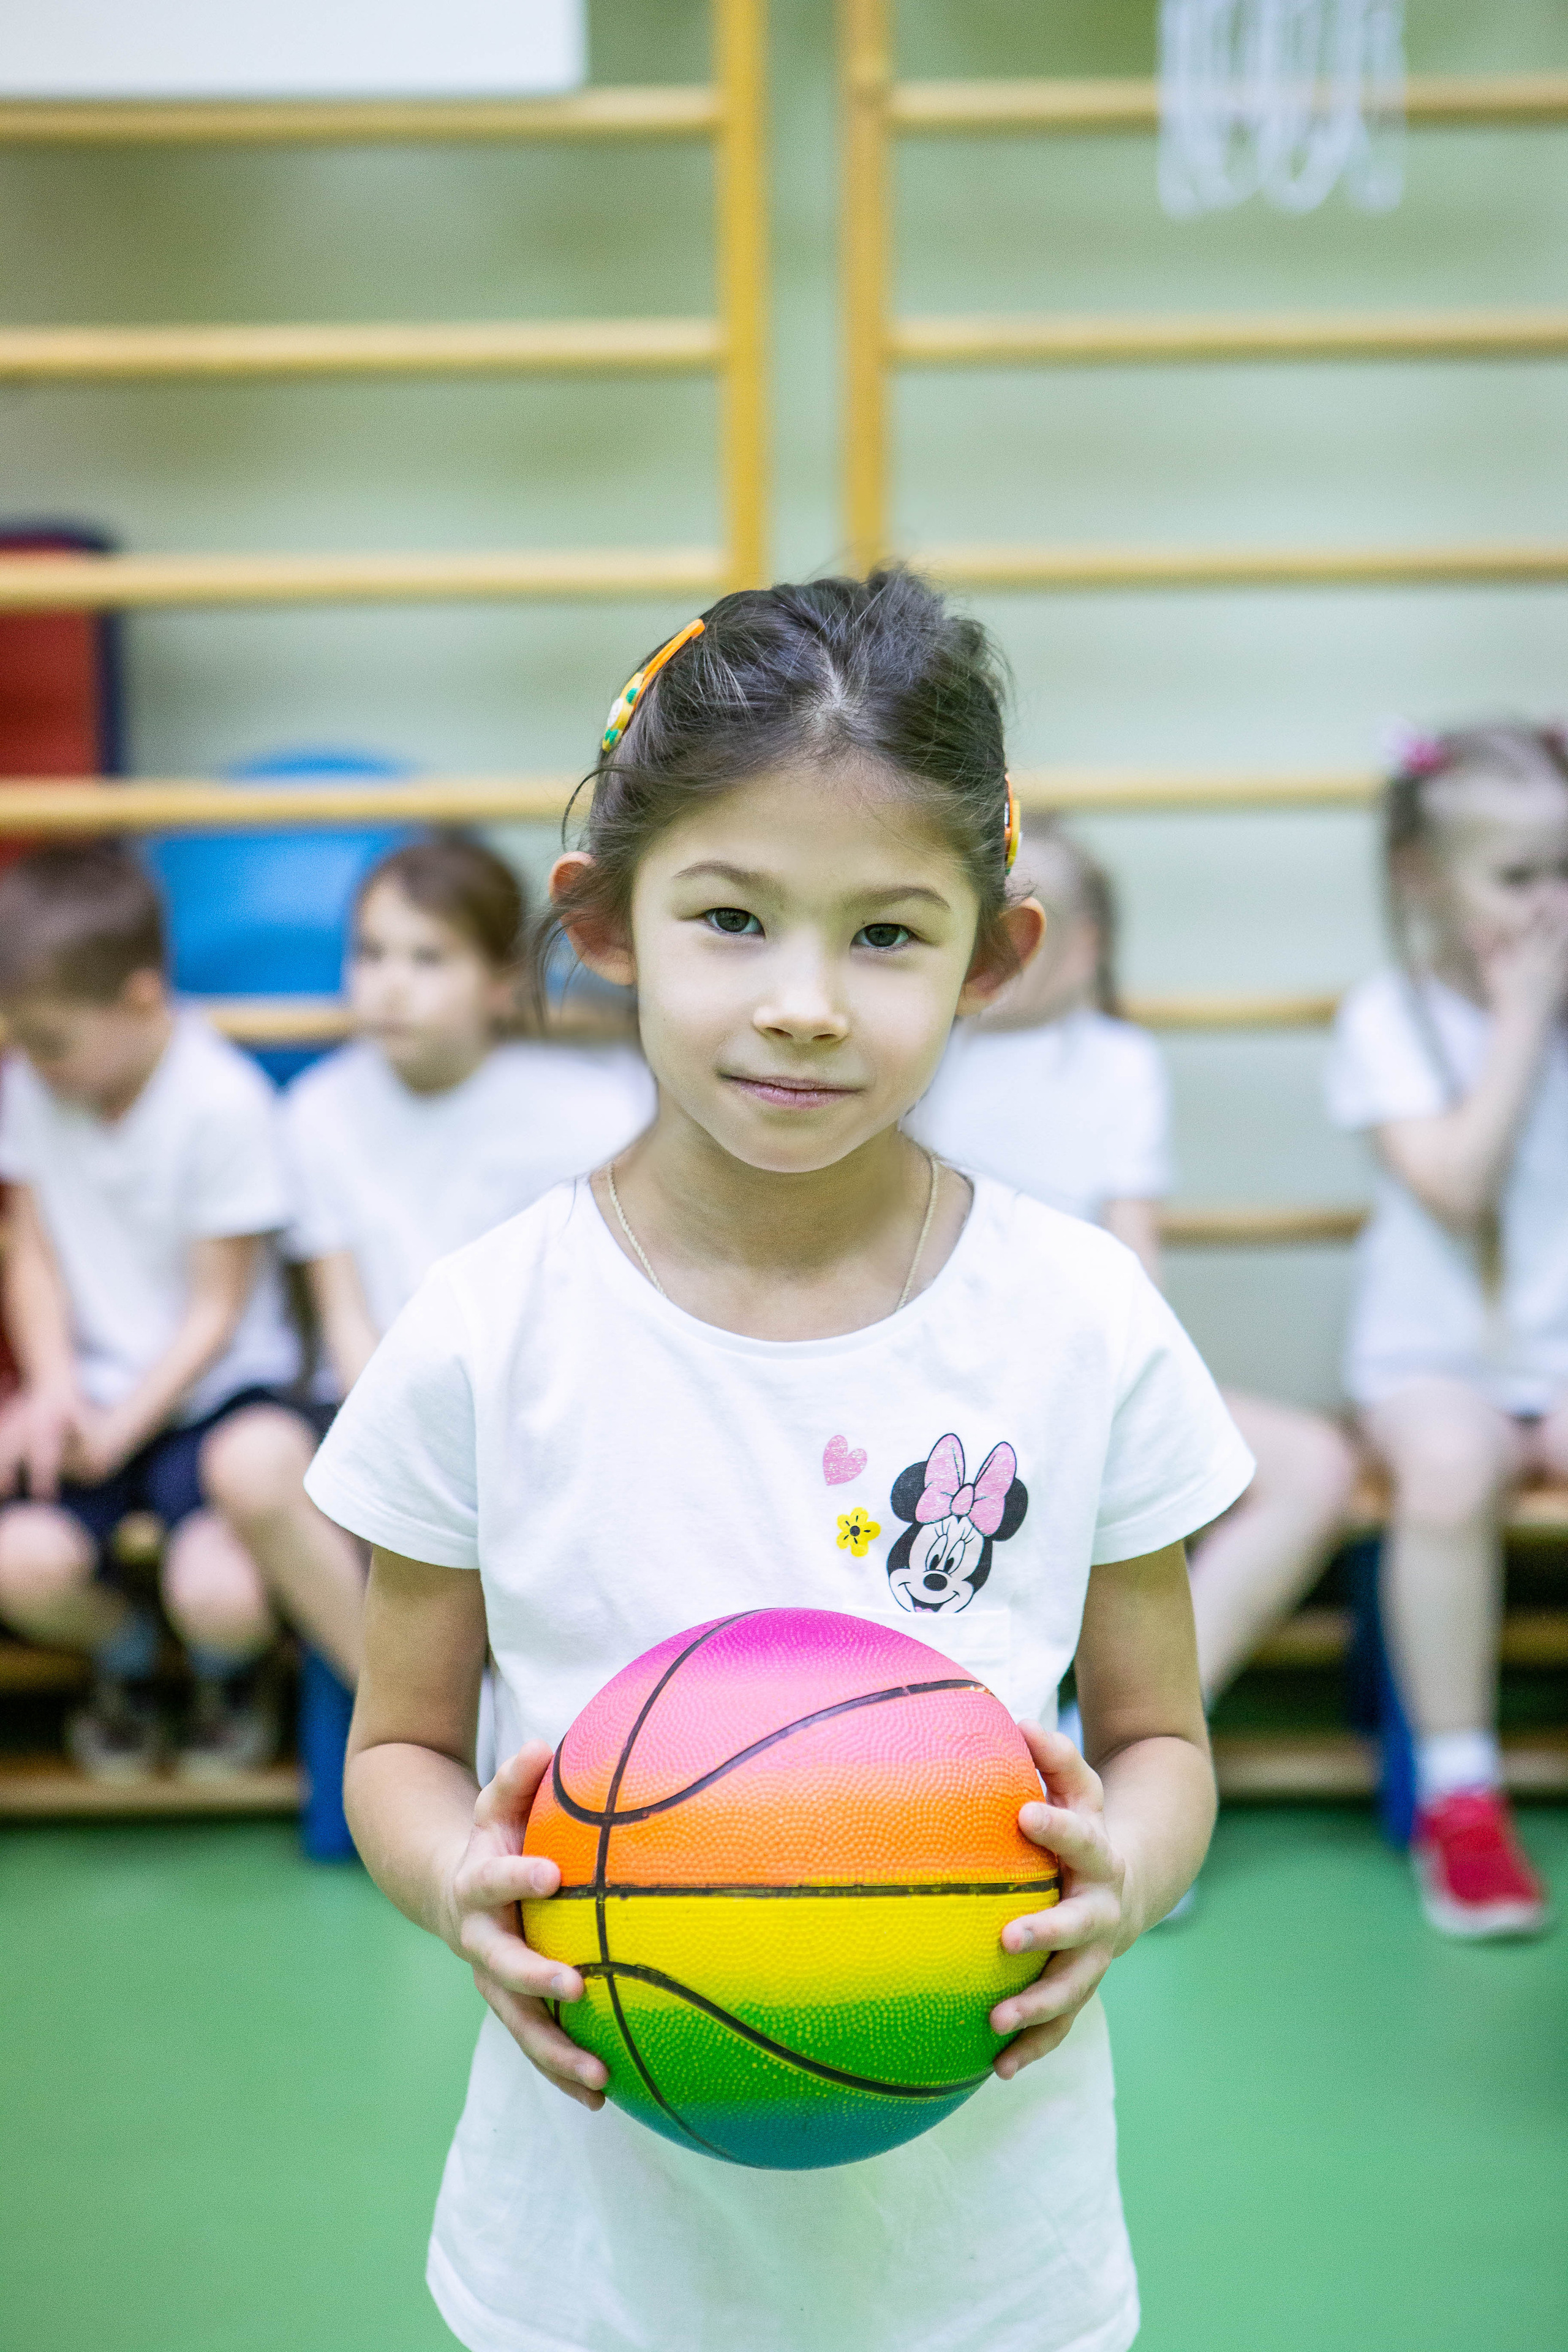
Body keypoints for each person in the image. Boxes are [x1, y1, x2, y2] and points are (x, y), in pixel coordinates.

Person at [304, 572, 1254, 2352]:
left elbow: (1159, 1735)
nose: (805, 1001)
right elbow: (406, 1746)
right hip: (589, 2239)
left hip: (984, 2249)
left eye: (886, 934)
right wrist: (456, 1884)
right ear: (600, 922)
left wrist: (1125, 1868)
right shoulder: (486, 1326)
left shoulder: (1079, 1318)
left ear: (996, 954)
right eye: (731, 917)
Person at [908, 820, 1357, 1725]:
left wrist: (1109, 1385)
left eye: (1023, 928)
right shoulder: (915, 1054)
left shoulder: (1116, 1064)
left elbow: (1132, 1255)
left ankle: (1137, 1734)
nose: (995, 952)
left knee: (1313, 1466)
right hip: (939, 1382)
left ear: (1080, 951)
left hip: (1080, 1367)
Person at [0, 843, 365, 1777]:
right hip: (92, 1396)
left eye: (49, 1040)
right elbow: (30, 1250)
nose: (29, 1061)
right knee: (19, 1563)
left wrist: (120, 1429)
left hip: (212, 1402)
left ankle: (220, 1673)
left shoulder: (222, 1102)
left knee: (222, 1596)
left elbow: (215, 1313)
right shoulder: (33, 1087)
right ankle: (122, 1656)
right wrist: (49, 1390)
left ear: (139, 1000)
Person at [1324, 722, 1567, 1937]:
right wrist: (1521, 1022)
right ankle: (1460, 1796)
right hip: (1431, 1365)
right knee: (1449, 1467)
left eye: (1567, 871)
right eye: (1517, 877)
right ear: (1424, 879)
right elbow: (1457, 1186)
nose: (1550, 906)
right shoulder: (1387, 1018)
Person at [283, 833, 655, 1395]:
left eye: (429, 959)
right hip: (372, 1412)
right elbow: (346, 1317)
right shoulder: (318, 1109)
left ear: (502, 984)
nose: (392, 986)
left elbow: (590, 1321)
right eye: (371, 953)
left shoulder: (593, 1115)